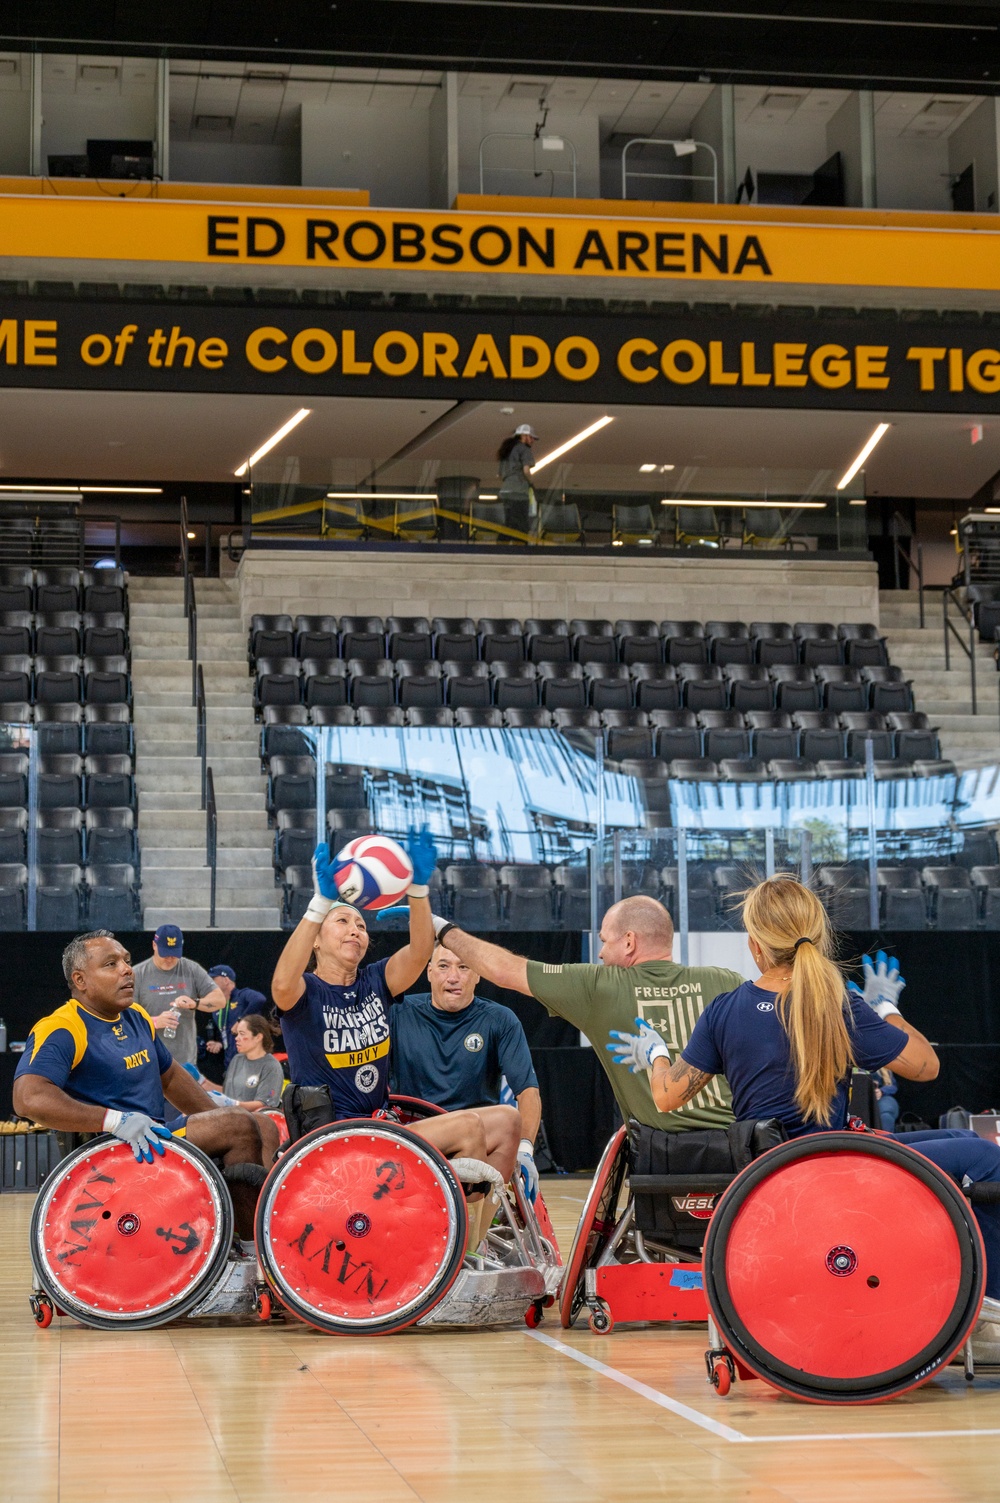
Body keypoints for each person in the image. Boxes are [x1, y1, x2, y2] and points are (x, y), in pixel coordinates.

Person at [608, 875, 1000, 1358]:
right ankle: (987, 1313)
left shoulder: (725, 1010)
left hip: (773, 1175)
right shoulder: (837, 1005)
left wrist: (657, 1055)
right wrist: (885, 1007)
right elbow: (928, 1064)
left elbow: (667, 1097)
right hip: (839, 1172)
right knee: (983, 1157)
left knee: (936, 1147)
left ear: (755, 946)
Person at [271, 831, 521, 1184]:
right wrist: (321, 903)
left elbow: (420, 953)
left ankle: (472, 1230)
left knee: (508, 1121)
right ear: (315, 939)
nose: (355, 929)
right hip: (334, 1139)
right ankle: (452, 1230)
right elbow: (281, 983)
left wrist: (417, 889)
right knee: (467, 1127)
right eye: (342, 922)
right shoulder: (305, 991)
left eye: (361, 924)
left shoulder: (374, 980)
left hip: (380, 1124)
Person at [12, 930, 278, 1237]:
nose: (126, 969)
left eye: (126, 960)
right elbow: (27, 1098)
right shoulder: (62, 1027)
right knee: (238, 1125)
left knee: (261, 1124)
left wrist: (225, 1122)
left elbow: (173, 1077)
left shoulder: (135, 1015)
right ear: (81, 980)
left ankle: (259, 1235)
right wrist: (114, 1120)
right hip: (113, 1153)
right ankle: (246, 1253)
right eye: (110, 964)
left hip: (154, 1137)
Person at [428, 895, 744, 1135]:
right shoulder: (727, 980)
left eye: (605, 941)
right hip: (737, 1151)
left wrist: (441, 929)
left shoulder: (598, 985)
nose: (600, 953)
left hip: (662, 1153)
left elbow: (503, 970)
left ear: (630, 942)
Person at [390, 940, 543, 1198]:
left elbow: (528, 1092)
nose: (453, 977)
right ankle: (469, 1222)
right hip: (418, 1132)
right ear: (428, 972)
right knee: (469, 1126)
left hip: (479, 1135)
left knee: (508, 1119)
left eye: (463, 967)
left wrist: (525, 1150)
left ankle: (481, 1221)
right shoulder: (398, 1013)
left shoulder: (500, 1019)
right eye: (443, 966)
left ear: (477, 974)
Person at [130, 924, 225, 1068]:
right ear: (154, 945)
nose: (169, 959)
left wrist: (195, 1003)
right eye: (165, 953)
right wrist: (155, 1022)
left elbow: (220, 1001)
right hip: (148, 1061)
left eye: (174, 954)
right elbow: (125, 1019)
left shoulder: (191, 969)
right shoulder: (137, 974)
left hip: (185, 1062)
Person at [207, 963, 268, 1067]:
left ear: (226, 980)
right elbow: (227, 1032)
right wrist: (220, 1044)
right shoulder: (217, 1008)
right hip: (230, 1064)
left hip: (250, 1062)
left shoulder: (242, 995)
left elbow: (259, 999)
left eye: (213, 979)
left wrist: (241, 1021)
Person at [223, 1015, 285, 1112]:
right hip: (230, 1118)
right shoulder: (237, 1060)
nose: (237, 1038)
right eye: (237, 1034)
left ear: (258, 1037)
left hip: (256, 1123)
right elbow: (227, 1094)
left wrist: (234, 1104)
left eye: (242, 1034)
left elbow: (265, 1104)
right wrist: (202, 1082)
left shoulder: (271, 1066)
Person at [497, 423, 538, 541]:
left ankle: (501, 545)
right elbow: (526, 471)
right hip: (519, 491)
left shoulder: (507, 451)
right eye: (531, 437)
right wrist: (531, 483)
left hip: (505, 490)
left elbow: (500, 475)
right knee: (522, 522)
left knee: (509, 521)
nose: (532, 440)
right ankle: (522, 548)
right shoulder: (524, 449)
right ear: (523, 436)